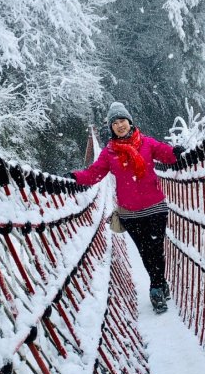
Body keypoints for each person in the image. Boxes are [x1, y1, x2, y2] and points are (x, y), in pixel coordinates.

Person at [69, 101, 182, 314]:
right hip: (130, 214)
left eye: (123, 121)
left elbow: (167, 154)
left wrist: (178, 152)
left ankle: (156, 287)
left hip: (155, 207)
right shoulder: (109, 154)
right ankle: (159, 283)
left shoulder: (147, 143)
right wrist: (75, 178)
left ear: (130, 122)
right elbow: (93, 174)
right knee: (145, 251)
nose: (120, 125)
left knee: (156, 249)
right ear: (110, 128)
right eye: (115, 123)